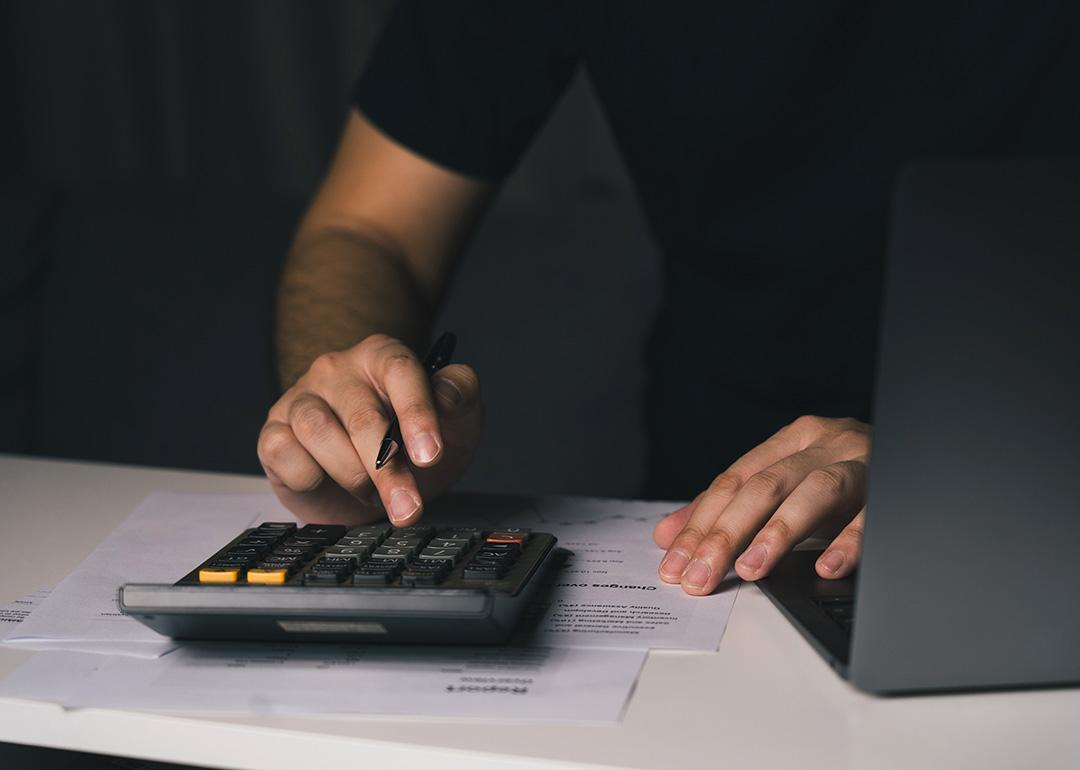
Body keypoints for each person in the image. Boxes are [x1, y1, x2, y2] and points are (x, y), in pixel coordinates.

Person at [257, 1, 1080, 596]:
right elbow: (372, 229)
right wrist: (346, 409)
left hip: (1047, 499)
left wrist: (968, 472)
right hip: (715, 534)